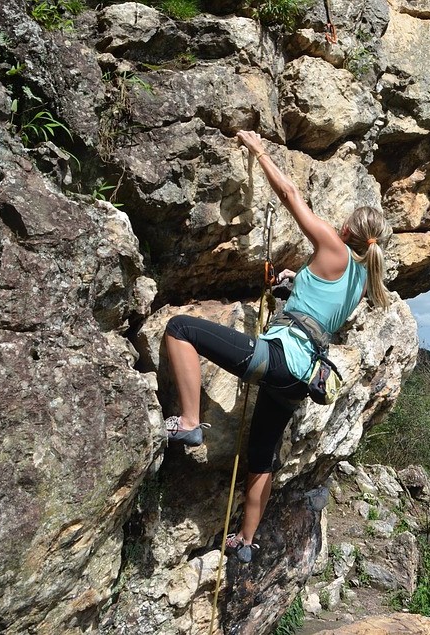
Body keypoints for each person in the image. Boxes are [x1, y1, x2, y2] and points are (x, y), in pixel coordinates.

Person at [162, 130, 393, 563]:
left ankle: (190, 421)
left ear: (347, 229)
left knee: (180, 328)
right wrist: (289, 287)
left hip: (280, 358)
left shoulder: (332, 245)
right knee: (261, 457)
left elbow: (289, 195)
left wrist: (259, 150)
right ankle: (246, 542)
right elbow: (316, 310)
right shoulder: (361, 281)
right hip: (299, 379)